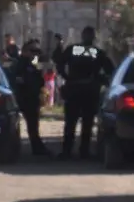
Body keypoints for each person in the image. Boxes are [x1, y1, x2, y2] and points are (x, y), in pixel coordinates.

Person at [57, 26, 115, 160]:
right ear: (93, 37)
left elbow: (59, 64)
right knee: (87, 123)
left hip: (74, 89)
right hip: (90, 91)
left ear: (82, 36)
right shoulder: (98, 52)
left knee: (71, 122)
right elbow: (110, 70)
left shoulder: (72, 49)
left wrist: (67, 78)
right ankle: (84, 151)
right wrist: (99, 80)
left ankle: (67, 151)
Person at [11, 39, 48, 156]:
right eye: (32, 51)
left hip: (33, 98)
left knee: (33, 126)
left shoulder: (33, 64)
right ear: (25, 51)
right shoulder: (21, 64)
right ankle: (36, 148)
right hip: (25, 99)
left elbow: (40, 80)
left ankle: (37, 147)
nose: (35, 54)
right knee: (29, 125)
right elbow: (20, 81)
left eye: (37, 51)